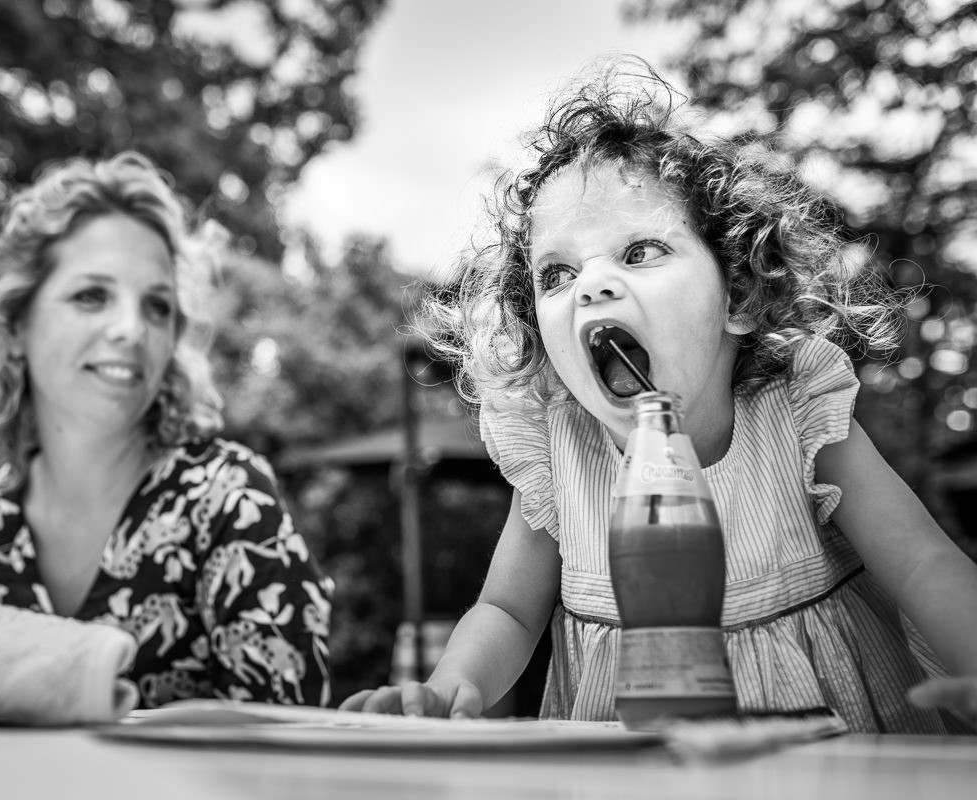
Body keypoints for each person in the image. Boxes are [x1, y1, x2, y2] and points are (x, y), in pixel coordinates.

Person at [342, 60, 977, 733]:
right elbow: (507, 611)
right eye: (557, 273)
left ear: (737, 294)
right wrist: (448, 690)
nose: (593, 286)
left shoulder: (796, 415)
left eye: (640, 251)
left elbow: (921, 562)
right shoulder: (566, 454)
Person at [0, 151, 332, 709]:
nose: (131, 330)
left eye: (157, 307)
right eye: (92, 295)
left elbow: (289, 748)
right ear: (15, 324)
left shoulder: (225, 499)